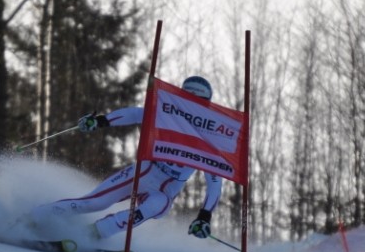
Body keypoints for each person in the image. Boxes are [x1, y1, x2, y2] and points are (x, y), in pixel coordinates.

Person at [30, 75, 222, 241]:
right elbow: (136, 114)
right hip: (145, 171)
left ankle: (92, 234)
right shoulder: (167, 114)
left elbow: (214, 180)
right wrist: (101, 121)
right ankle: (32, 218)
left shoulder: (209, 137)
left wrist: (204, 216)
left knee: (158, 204)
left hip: (166, 188)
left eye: (198, 102)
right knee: (95, 202)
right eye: (186, 98)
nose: (191, 107)